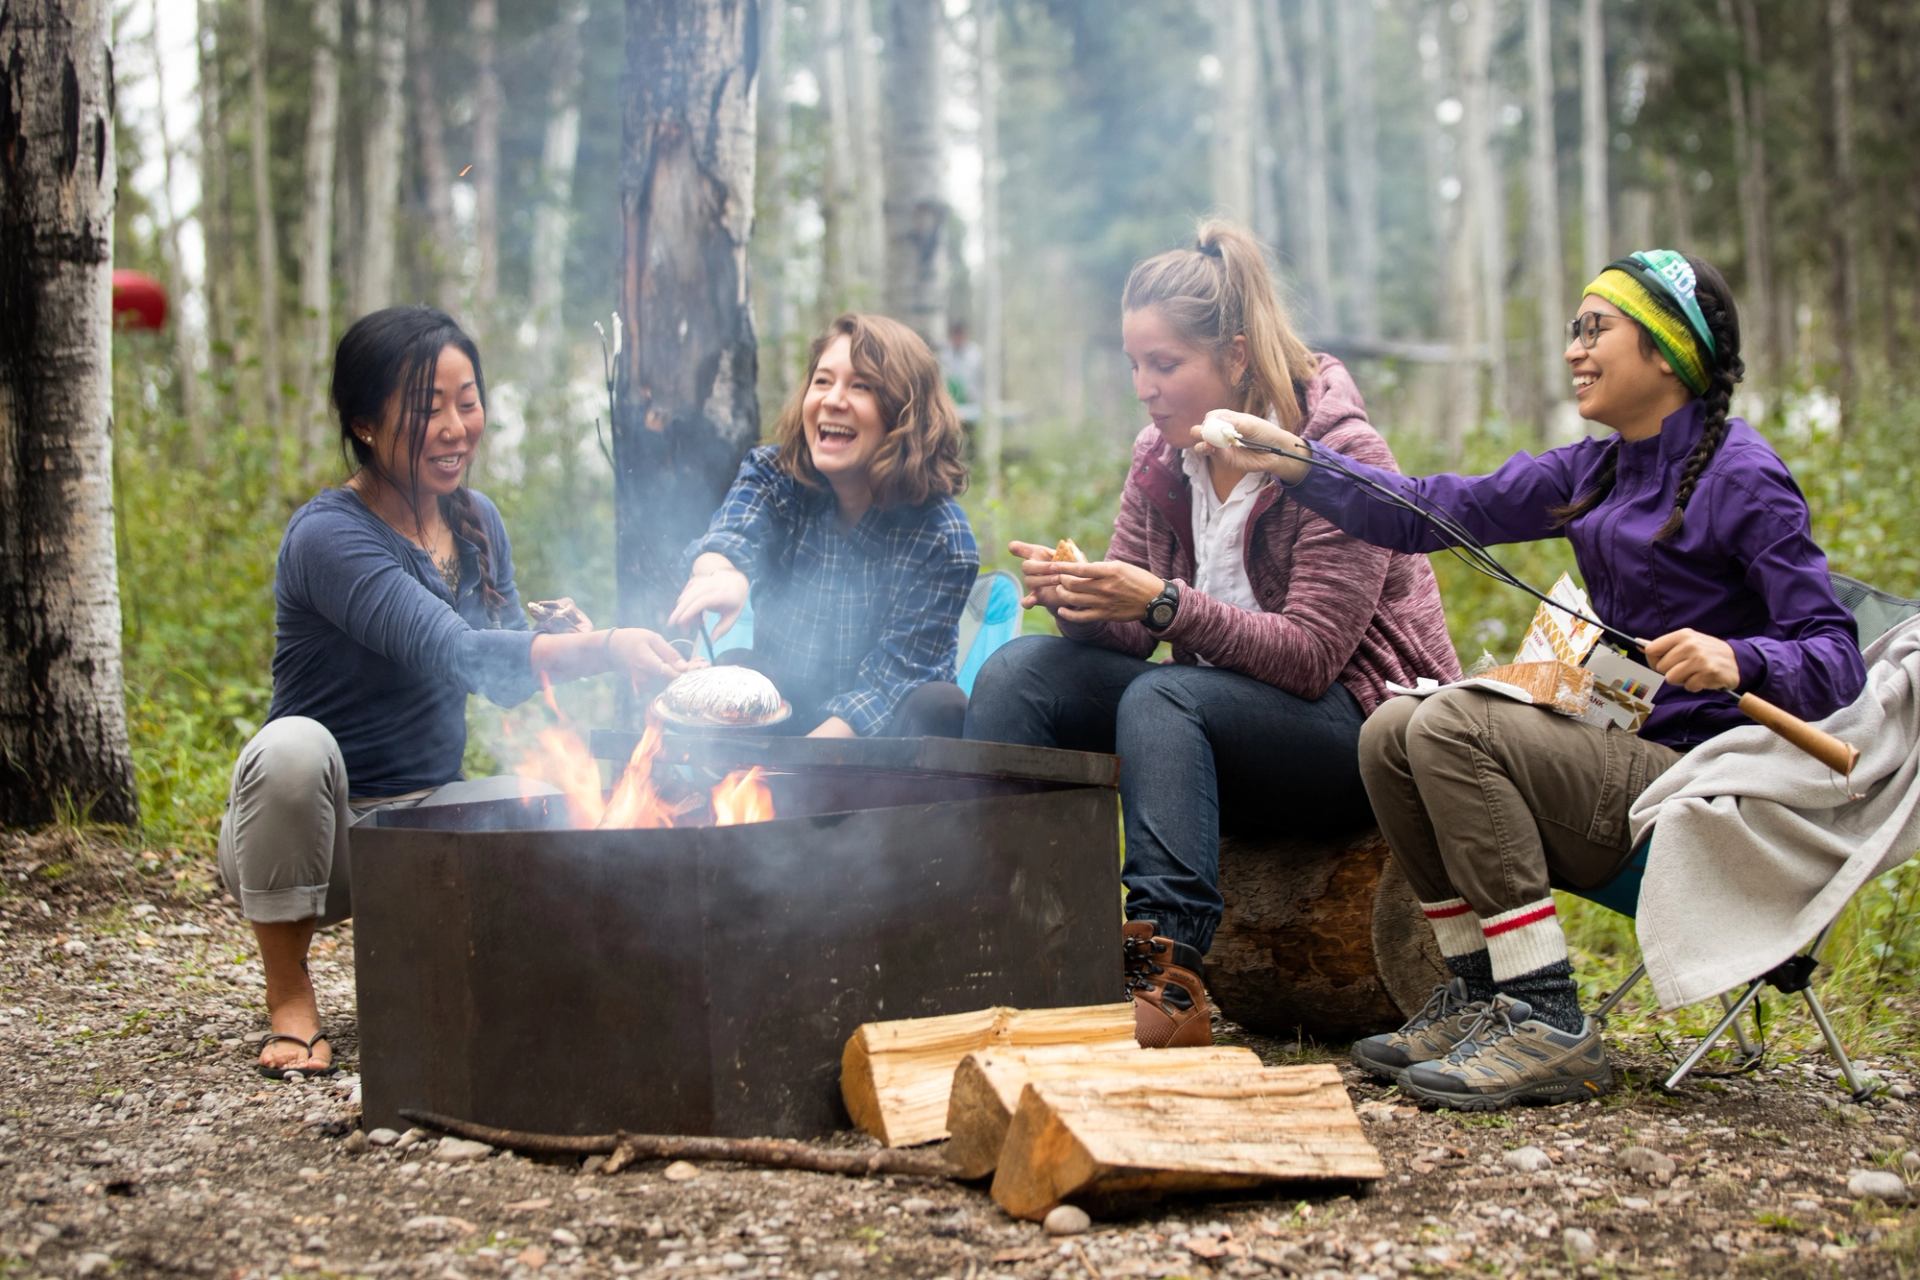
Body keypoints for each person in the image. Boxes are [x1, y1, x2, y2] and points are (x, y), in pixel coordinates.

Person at [1201, 250, 1867, 1109]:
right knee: (1391, 731)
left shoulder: (1744, 478)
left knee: (1449, 724)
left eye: (1597, 330)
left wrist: (1740, 658)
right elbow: (1432, 509)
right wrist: (1299, 462)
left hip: (1709, 793)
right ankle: (1477, 996)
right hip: (1619, 759)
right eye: (1573, 331)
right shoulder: (1593, 472)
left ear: (1665, 351)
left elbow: (1836, 655)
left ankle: (1546, 1016)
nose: (1574, 351)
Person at [962, 221, 1461, 1049]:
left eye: (1165, 365)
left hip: (1361, 731)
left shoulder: (1336, 456)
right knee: (1021, 673)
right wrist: (1085, 601)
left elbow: (1309, 659)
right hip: (1216, 719)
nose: (1145, 387)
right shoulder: (1161, 457)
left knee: (1166, 695)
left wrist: (1160, 605)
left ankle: (1163, 973)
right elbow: (1134, 633)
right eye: (1134, 365)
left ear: (1234, 356)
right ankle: (1028, 939)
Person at [219, 306, 696, 1078]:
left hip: (427, 820)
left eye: (466, 401)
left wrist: (578, 641)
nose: (453, 426)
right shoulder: (328, 536)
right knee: (292, 750)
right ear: (366, 424)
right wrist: (604, 649)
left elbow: (504, 680)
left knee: (539, 795)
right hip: (316, 832)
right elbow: (454, 651)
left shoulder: (477, 522)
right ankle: (290, 1000)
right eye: (424, 407)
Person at [668, 313, 979, 738]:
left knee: (940, 704)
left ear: (905, 414)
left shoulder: (941, 537)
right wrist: (722, 572)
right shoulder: (775, 476)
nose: (833, 400)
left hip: (886, 755)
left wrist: (794, 782)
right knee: (738, 669)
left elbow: (888, 687)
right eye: (822, 381)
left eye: (861, 386)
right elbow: (732, 533)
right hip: (786, 724)